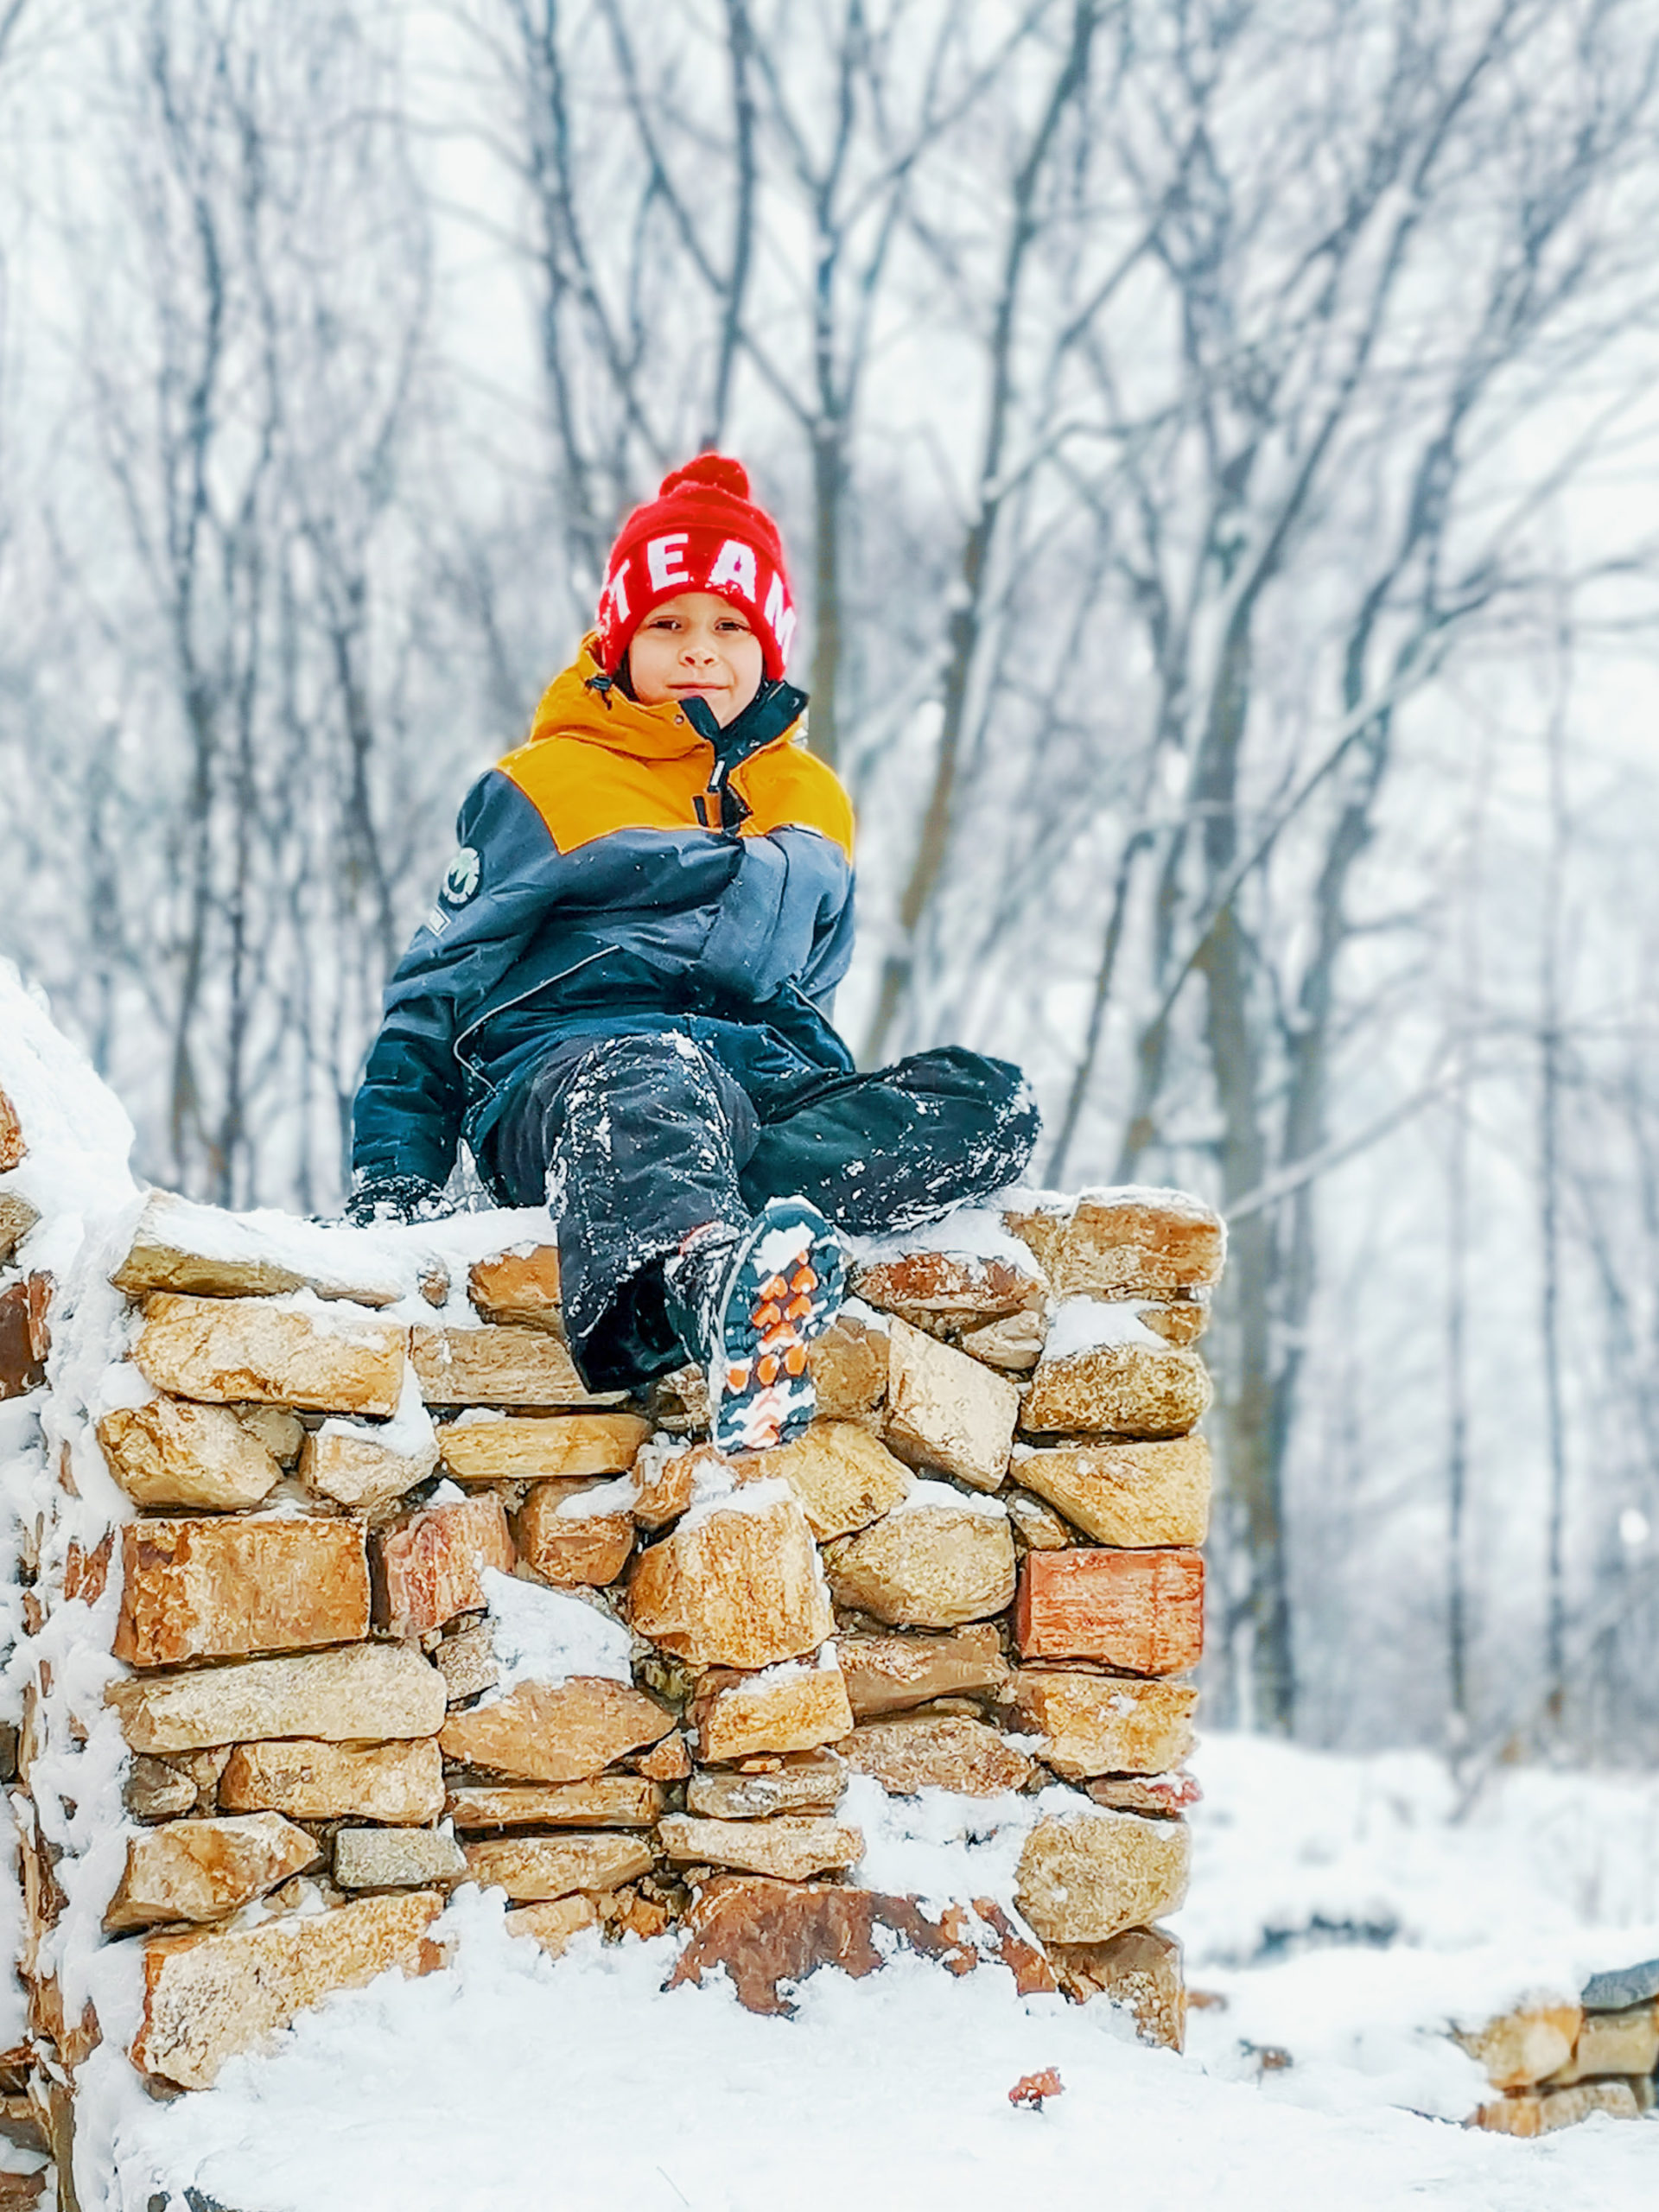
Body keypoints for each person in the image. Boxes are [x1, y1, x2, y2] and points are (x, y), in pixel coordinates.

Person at [348, 454, 1038, 1449]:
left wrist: (829, 1099)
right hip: (572, 1080)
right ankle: (714, 1290)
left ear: (769, 647)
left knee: (989, 1099)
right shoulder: (543, 785)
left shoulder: (813, 805)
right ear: (620, 640)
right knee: (651, 1074)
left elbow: (811, 1000)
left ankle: (707, 1210)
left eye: (729, 626)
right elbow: (431, 997)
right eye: (667, 624)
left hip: (748, 1094)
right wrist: (392, 1179)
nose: (698, 650)